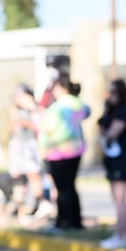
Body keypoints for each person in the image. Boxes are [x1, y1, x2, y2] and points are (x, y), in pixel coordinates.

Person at [38, 74, 90, 230]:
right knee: (71, 186)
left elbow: (48, 130)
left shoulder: (57, 108)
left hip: (58, 152)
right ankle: (75, 221)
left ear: (61, 89)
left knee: (62, 189)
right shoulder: (78, 104)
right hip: (76, 150)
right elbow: (88, 112)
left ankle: (63, 221)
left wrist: (43, 150)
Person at [97, 78, 126, 248]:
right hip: (112, 160)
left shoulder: (123, 112)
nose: (111, 95)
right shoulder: (112, 111)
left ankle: (124, 236)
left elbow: (111, 133)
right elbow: (101, 127)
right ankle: (121, 232)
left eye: (114, 92)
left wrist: (105, 134)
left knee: (120, 200)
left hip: (122, 160)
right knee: (116, 199)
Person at [7, 83, 51, 224]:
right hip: (17, 145)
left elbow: (40, 126)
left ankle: (37, 205)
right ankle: (20, 206)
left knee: (33, 175)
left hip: (29, 145)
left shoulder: (35, 109)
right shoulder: (15, 110)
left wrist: (29, 118)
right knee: (17, 177)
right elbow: (12, 127)